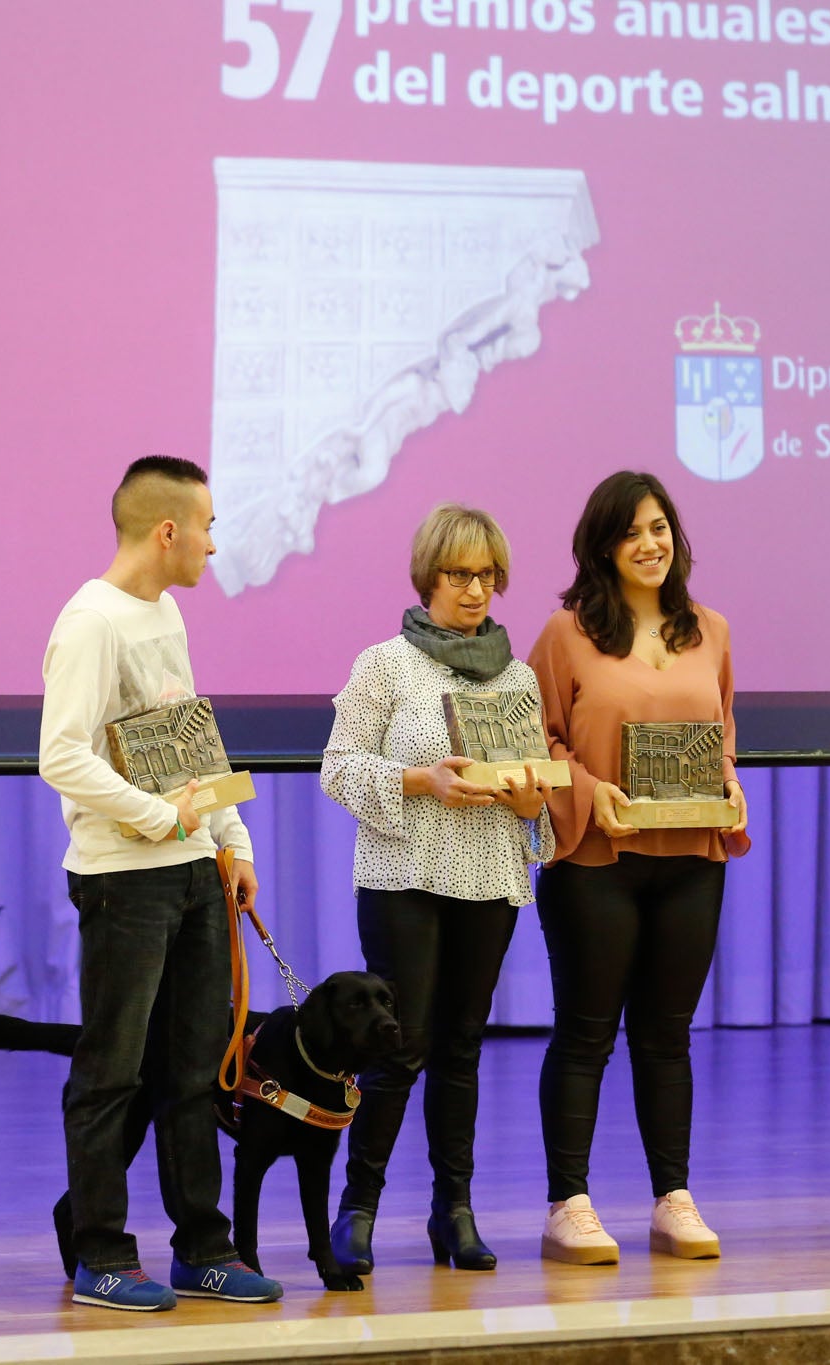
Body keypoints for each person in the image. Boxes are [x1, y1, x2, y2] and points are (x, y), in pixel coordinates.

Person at [38, 455, 282, 1310]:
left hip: (190, 875)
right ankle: (102, 1255)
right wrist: (155, 816)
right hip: (123, 882)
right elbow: (59, 754)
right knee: (112, 1072)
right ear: (168, 530)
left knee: (192, 1068)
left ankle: (203, 1249)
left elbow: (186, 738)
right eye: (208, 528)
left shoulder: (165, 614)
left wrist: (231, 838)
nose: (215, 546)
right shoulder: (90, 620)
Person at [320, 504, 555, 1277]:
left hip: (486, 878)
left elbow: (536, 797)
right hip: (403, 877)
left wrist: (531, 803)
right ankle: (357, 1210)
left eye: (488, 575)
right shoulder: (383, 664)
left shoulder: (518, 677)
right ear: (429, 577)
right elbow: (339, 766)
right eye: (460, 574)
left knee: (460, 1049)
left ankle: (453, 1210)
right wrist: (421, 780)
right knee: (399, 1048)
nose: (476, 589)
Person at [527, 470, 749, 1265]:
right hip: (596, 857)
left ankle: (673, 1196)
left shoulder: (711, 629)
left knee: (668, 1036)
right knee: (586, 1034)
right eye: (631, 532)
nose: (650, 544)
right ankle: (570, 1202)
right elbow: (541, 741)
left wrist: (729, 783)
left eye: (659, 527)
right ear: (603, 546)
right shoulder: (565, 632)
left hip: (693, 855)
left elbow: (720, 735)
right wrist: (588, 790)